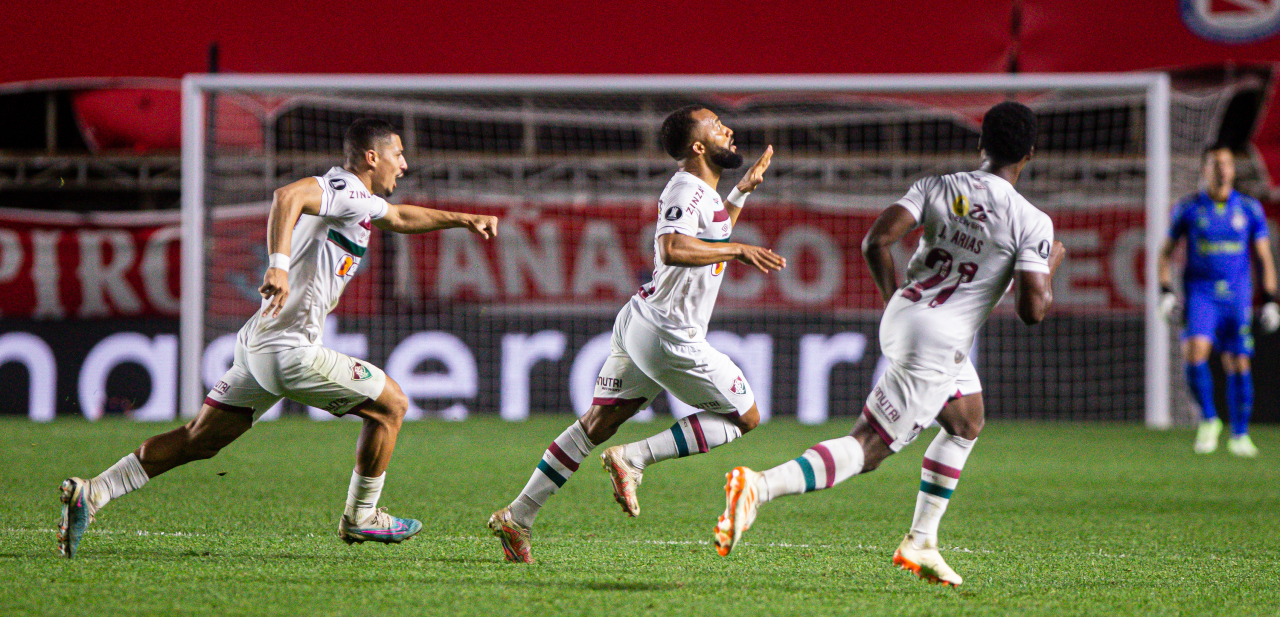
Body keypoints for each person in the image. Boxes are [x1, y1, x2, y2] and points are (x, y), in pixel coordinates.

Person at [58, 118, 499, 558]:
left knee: (200, 439)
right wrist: (278, 265)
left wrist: (463, 218)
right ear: (372, 157)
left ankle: (94, 491)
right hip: (290, 351)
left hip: (259, 347)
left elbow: (401, 216)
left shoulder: (359, 200)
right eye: (397, 154)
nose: (403, 164)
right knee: (392, 406)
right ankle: (361, 516)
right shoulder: (343, 190)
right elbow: (287, 196)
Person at [712, 101, 1065, 588]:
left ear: (981, 143)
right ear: (1029, 153)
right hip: (939, 339)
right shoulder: (1032, 222)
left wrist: (895, 301)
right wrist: (1050, 265)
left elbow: (875, 242)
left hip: (905, 311)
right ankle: (758, 486)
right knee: (869, 448)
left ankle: (921, 542)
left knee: (966, 421)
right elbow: (1033, 311)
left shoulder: (938, 186)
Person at [487, 105, 787, 563]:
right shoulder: (685, 188)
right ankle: (636, 458)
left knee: (595, 425)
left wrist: (741, 195)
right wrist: (741, 249)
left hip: (641, 322)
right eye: (715, 125)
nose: (728, 128)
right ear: (698, 146)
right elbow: (672, 248)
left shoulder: (705, 194)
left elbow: (708, 234)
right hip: (670, 335)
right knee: (745, 418)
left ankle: (518, 516)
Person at [1158, 146, 1278, 457]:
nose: (1222, 169)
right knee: (1194, 351)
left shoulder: (1250, 209)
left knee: (1238, 361)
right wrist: (1165, 292)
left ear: (1234, 170)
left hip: (1237, 296)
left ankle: (1240, 434)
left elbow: (1264, 257)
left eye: (1226, 163)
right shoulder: (1188, 209)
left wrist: (1270, 300)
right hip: (1201, 294)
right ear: (1204, 170)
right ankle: (1209, 419)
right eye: (1215, 164)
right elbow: (1165, 253)